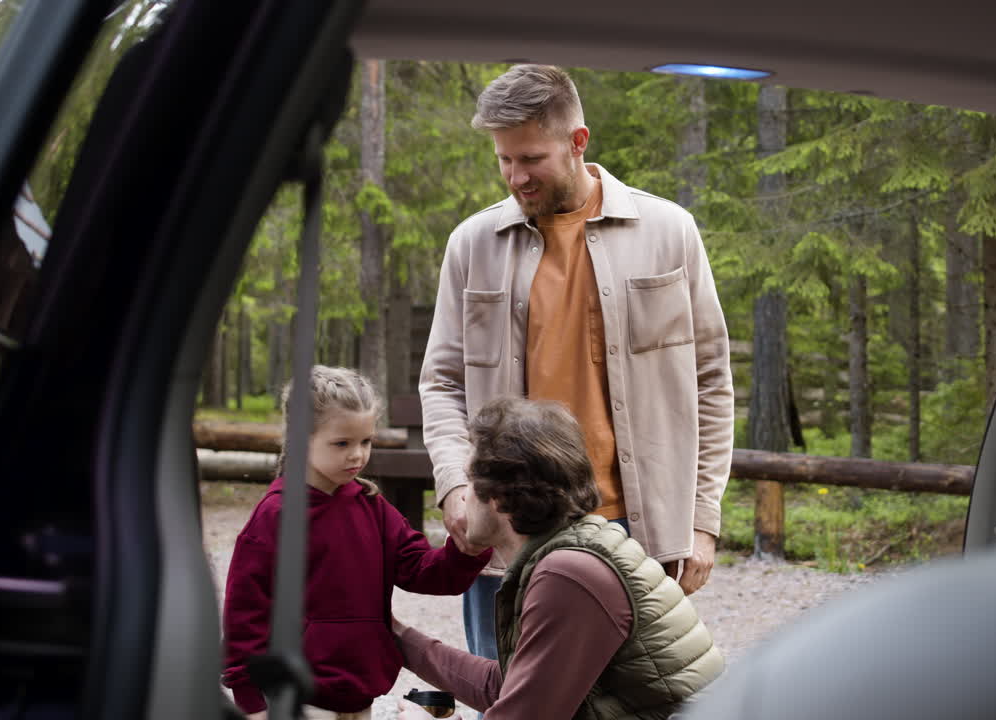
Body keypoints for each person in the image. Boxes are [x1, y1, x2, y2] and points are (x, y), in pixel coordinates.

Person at [419, 64, 734, 663]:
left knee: (629, 702)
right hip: (508, 527)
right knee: (508, 698)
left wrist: (702, 520)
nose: (516, 176)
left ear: (578, 141)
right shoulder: (472, 244)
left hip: (635, 532)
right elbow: (443, 381)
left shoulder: (669, 231)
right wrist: (457, 485)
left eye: (531, 158)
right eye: (504, 160)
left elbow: (712, 383)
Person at [394, 396, 725, 720]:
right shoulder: (571, 551)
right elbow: (510, 686)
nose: (462, 495)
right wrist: (398, 638)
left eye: (469, 478)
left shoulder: (569, 575)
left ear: (498, 495)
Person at [221, 366, 492, 720]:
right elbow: (245, 617)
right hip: (297, 700)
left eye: (366, 442)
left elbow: (425, 573)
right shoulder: (275, 516)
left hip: (359, 695)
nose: (358, 456)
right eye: (342, 443)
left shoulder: (372, 506)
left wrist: (466, 549)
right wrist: (252, 702)